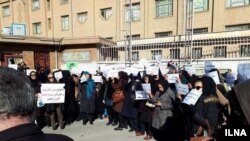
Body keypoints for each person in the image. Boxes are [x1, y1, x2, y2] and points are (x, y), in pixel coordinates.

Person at [0, 67, 73, 141]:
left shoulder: (44, 83)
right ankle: (53, 125)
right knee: (51, 114)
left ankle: (60, 124)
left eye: (52, 77)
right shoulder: (63, 139)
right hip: (48, 102)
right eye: (49, 77)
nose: (51, 78)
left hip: (56, 101)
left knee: (59, 112)